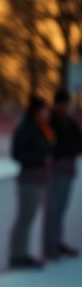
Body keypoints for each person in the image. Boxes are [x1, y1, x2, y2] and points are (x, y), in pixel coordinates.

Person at [8, 95, 53, 270]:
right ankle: (17, 255)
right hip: (29, 179)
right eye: (43, 110)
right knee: (25, 217)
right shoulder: (26, 128)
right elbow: (17, 153)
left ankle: (22, 252)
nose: (46, 114)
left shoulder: (41, 128)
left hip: (39, 179)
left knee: (29, 217)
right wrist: (39, 159)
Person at [46, 89, 81, 259]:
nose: (64, 107)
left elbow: (78, 144)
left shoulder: (71, 123)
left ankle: (57, 242)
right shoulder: (51, 123)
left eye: (66, 104)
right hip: (56, 170)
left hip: (68, 169)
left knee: (61, 209)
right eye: (62, 104)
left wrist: (70, 150)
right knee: (54, 209)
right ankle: (50, 245)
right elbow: (53, 146)